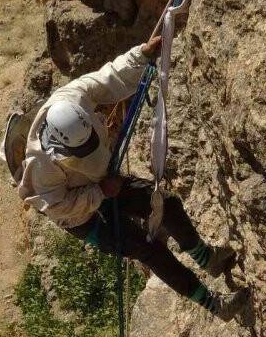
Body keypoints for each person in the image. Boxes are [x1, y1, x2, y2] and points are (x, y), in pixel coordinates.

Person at [16, 38, 249, 319]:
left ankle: (207, 258)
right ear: (58, 145)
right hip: (81, 214)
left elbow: (108, 77)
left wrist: (141, 54)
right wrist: (99, 192)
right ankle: (215, 305)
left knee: (165, 204)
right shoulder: (41, 165)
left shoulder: (72, 97)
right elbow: (58, 206)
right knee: (148, 250)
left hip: (104, 181)